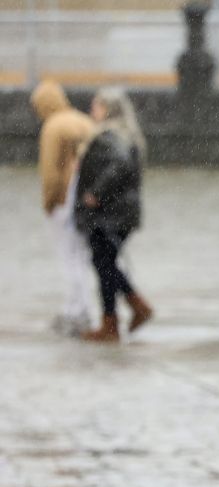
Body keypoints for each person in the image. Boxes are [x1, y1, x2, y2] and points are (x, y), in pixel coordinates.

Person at [74, 87, 151, 343]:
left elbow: (119, 165)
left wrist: (95, 193)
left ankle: (123, 314)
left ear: (107, 109)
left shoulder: (110, 136)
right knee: (105, 263)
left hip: (109, 215)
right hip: (121, 213)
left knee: (104, 263)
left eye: (96, 105)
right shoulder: (127, 135)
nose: (92, 110)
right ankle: (116, 318)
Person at [29, 80, 97, 336]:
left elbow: (50, 172)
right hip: (89, 199)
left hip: (64, 201)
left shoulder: (53, 127)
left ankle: (75, 310)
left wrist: (48, 202)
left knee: (68, 256)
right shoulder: (84, 122)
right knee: (81, 255)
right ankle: (85, 308)